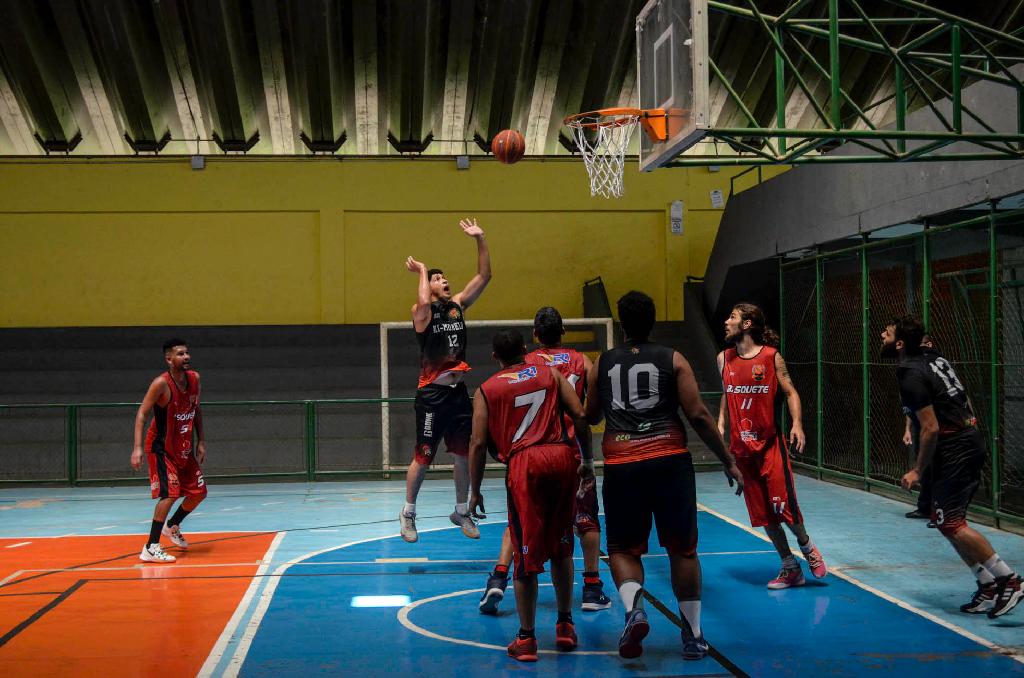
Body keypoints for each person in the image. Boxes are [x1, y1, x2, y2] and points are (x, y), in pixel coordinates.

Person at [586, 291, 743, 661]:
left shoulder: (603, 363)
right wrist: (727, 459)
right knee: (682, 550)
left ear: (621, 324)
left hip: (622, 464)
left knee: (624, 548)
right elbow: (700, 415)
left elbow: (590, 416)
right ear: (653, 320)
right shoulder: (673, 358)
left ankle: (634, 610)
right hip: (670, 461)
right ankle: (693, 635)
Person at [467, 329, 595, 662]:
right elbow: (580, 416)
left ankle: (526, 638)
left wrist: (474, 489)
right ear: (526, 350)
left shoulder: (486, 389)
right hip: (561, 456)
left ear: (495, 357)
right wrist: (589, 461)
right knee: (563, 546)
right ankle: (565, 625)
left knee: (526, 554)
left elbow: (479, 444)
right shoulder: (550, 373)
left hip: (525, 463)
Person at [883, 315, 1021, 618]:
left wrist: (918, 470)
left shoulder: (910, 373)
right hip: (961, 440)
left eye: (888, 333)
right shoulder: (933, 358)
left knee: (952, 523)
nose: (882, 335)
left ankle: (1009, 580)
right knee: (944, 519)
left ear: (901, 344)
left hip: (957, 446)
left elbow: (930, 428)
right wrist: (969, 423)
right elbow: (961, 396)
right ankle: (986, 584)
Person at [478, 307, 611, 615]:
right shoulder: (582, 361)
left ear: (534, 336)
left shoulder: (530, 364)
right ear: (563, 331)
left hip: (533, 451)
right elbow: (589, 410)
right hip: (572, 451)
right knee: (586, 520)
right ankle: (591, 587)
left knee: (520, 520)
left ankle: (499, 576)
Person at [718, 303, 827, 589]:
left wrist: (797, 424)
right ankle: (789, 567)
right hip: (741, 451)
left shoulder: (770, 358)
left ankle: (806, 546)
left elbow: (791, 392)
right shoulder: (724, 359)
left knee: (782, 506)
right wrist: (720, 426)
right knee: (764, 514)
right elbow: (726, 395)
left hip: (769, 446)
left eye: (732, 317)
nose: (726, 321)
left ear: (746, 324)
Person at [400, 218, 492, 543]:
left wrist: (480, 239)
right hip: (431, 396)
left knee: (462, 455)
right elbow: (424, 301)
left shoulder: (457, 308)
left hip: (457, 394)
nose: (445, 281)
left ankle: (461, 511)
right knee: (423, 457)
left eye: (444, 277)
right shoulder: (421, 313)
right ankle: (409, 513)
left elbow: (484, 276)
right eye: (438, 279)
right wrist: (424, 270)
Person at [130, 338, 207, 563]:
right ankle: (151, 547)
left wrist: (201, 440)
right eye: (181, 354)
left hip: (183, 447)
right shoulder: (161, 384)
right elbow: (142, 413)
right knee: (170, 494)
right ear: (169, 359)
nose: (187, 357)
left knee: (199, 493)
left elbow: (196, 409)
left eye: (187, 353)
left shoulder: (194, 379)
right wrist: (137, 448)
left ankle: (172, 525)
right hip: (161, 448)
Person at [903, 334, 936, 527]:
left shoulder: (932, 368)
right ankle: (925, 507)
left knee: (936, 468)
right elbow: (913, 405)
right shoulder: (910, 370)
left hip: (935, 427)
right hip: (919, 425)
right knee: (925, 467)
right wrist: (907, 428)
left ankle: (940, 513)